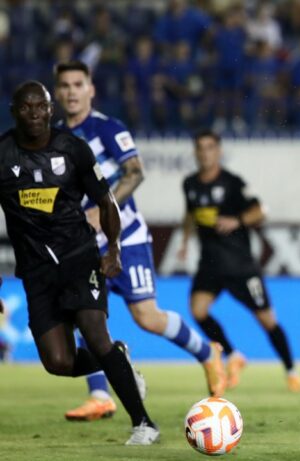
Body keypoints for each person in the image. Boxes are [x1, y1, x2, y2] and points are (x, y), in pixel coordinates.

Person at [53, 61, 226, 423]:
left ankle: (206, 353)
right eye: (65, 85)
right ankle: (100, 395)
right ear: (57, 91)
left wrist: (104, 209)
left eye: (78, 84)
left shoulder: (107, 128)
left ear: (90, 89)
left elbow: (135, 172)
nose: (71, 91)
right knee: (81, 315)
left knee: (147, 317)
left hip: (125, 237)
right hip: (82, 244)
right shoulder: (55, 138)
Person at [0, 81, 158, 444]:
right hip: (36, 271)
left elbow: (107, 202)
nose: (34, 114)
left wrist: (113, 250)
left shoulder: (73, 148)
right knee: (58, 362)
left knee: (95, 334)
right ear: (14, 112)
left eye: (41, 106)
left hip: (79, 258)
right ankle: (119, 361)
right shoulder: (3, 154)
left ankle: (144, 424)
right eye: (26, 107)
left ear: (50, 110)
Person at [178, 129, 300, 393]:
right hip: (210, 264)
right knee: (198, 310)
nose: (205, 153)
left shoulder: (233, 183)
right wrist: (185, 242)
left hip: (241, 266)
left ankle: (291, 371)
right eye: (200, 148)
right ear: (195, 152)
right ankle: (233, 355)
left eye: (210, 147)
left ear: (219, 151)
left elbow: (261, 210)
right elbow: (189, 214)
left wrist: (237, 220)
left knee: (267, 320)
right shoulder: (189, 184)